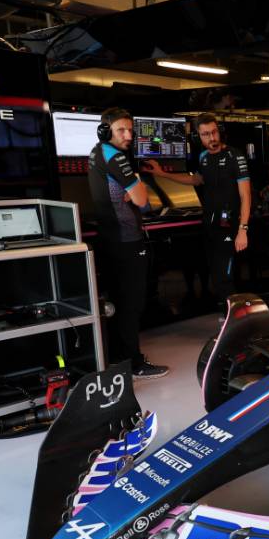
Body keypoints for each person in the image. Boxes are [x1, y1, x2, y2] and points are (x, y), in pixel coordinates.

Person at [87, 108, 169, 380]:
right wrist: (135, 189)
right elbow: (143, 202)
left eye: (130, 130)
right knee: (131, 305)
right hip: (126, 241)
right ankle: (133, 363)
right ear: (105, 130)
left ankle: (119, 360)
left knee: (118, 304)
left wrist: (132, 193)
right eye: (121, 130)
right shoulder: (116, 157)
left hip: (110, 241)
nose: (128, 135)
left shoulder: (97, 153)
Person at [145, 114, 251, 314]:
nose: (211, 138)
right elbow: (196, 180)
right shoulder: (203, 157)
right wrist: (162, 174)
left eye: (213, 132)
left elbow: (245, 195)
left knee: (225, 277)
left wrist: (243, 229)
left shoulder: (235, 156)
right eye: (205, 134)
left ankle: (239, 320)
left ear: (218, 131)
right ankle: (228, 317)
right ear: (199, 136)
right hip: (210, 225)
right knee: (216, 276)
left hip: (231, 226)